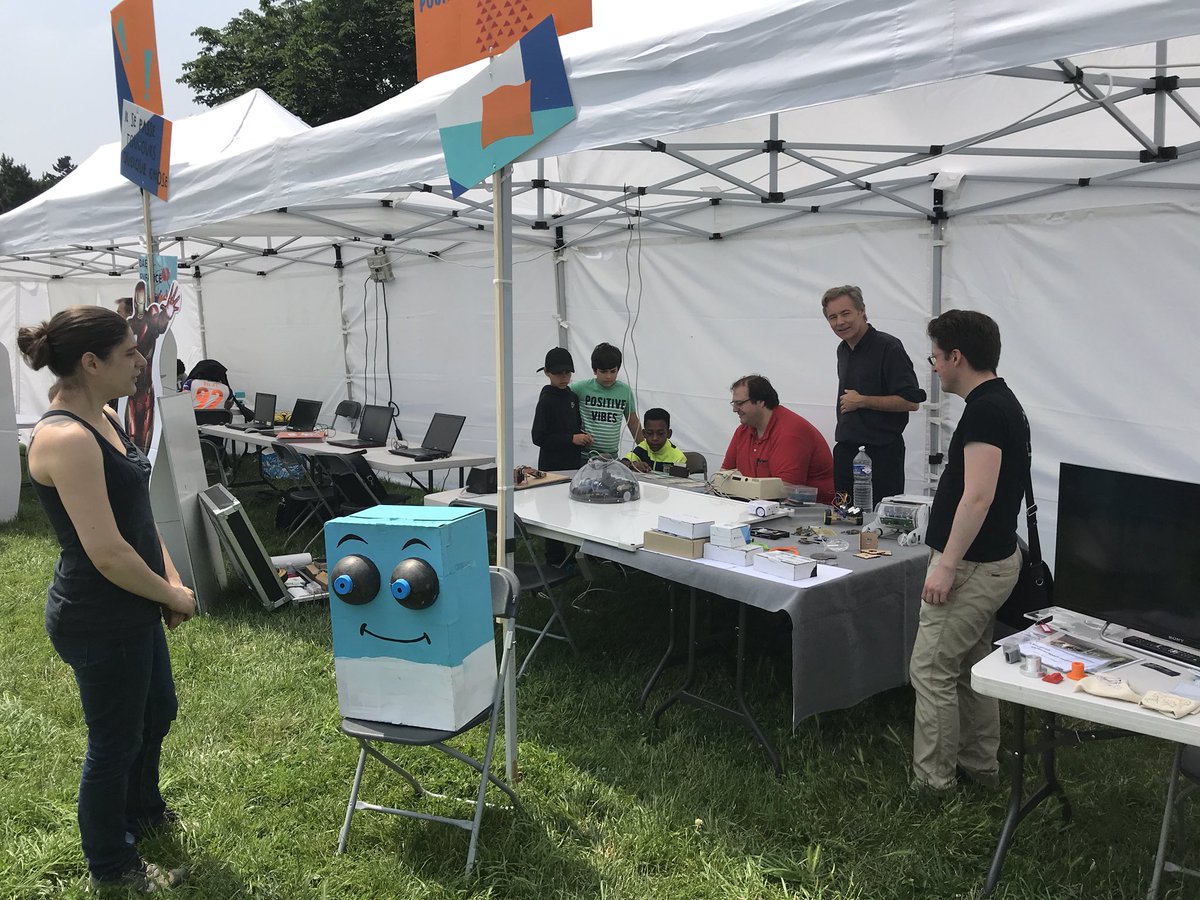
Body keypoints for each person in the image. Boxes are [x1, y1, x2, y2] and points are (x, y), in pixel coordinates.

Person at [17, 305, 195, 891]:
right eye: (130, 353)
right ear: (91, 363)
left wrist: (167, 584)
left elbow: (138, 519)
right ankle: (112, 863)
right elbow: (108, 553)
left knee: (156, 711)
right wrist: (170, 592)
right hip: (98, 615)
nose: (142, 362)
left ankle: (142, 812)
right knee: (115, 741)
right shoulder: (65, 438)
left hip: (134, 601)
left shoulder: (107, 415)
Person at [909, 309, 1026, 794]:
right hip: (991, 560)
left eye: (935, 356)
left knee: (931, 669)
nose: (933, 366)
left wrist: (947, 565)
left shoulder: (985, 410)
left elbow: (978, 496)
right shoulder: (1002, 403)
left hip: (973, 564)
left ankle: (933, 783)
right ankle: (980, 769)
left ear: (956, 356)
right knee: (968, 668)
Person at [821, 285, 926, 503]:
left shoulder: (888, 347)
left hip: (881, 454)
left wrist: (862, 401)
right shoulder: (842, 349)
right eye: (833, 317)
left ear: (862, 311)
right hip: (846, 451)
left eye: (845, 313)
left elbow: (911, 402)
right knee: (845, 519)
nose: (840, 322)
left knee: (879, 525)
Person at [720, 374, 835, 503]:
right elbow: (724, 475)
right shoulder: (743, 430)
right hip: (762, 507)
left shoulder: (791, 432)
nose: (735, 409)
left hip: (810, 513)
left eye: (739, 403)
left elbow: (785, 490)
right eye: (733, 403)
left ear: (761, 402)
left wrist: (740, 487)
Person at [531, 347, 591, 567]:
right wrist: (570, 439)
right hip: (551, 467)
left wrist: (582, 437)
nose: (564, 377)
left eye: (568, 373)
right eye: (559, 373)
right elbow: (538, 436)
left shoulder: (572, 397)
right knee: (551, 513)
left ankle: (573, 556)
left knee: (571, 510)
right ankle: (554, 560)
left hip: (573, 464)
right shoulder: (546, 400)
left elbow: (574, 427)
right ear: (547, 372)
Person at [571, 342, 641, 457]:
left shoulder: (624, 391)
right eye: (603, 372)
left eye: (613, 371)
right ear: (594, 370)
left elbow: (633, 422)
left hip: (611, 457)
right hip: (584, 456)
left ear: (618, 369)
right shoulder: (580, 388)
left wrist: (645, 450)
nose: (608, 376)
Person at [623, 407, 687, 473]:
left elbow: (681, 481)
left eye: (660, 433)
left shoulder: (678, 458)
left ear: (669, 434)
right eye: (650, 433)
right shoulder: (643, 447)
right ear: (644, 433)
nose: (654, 438)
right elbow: (622, 463)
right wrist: (633, 464)